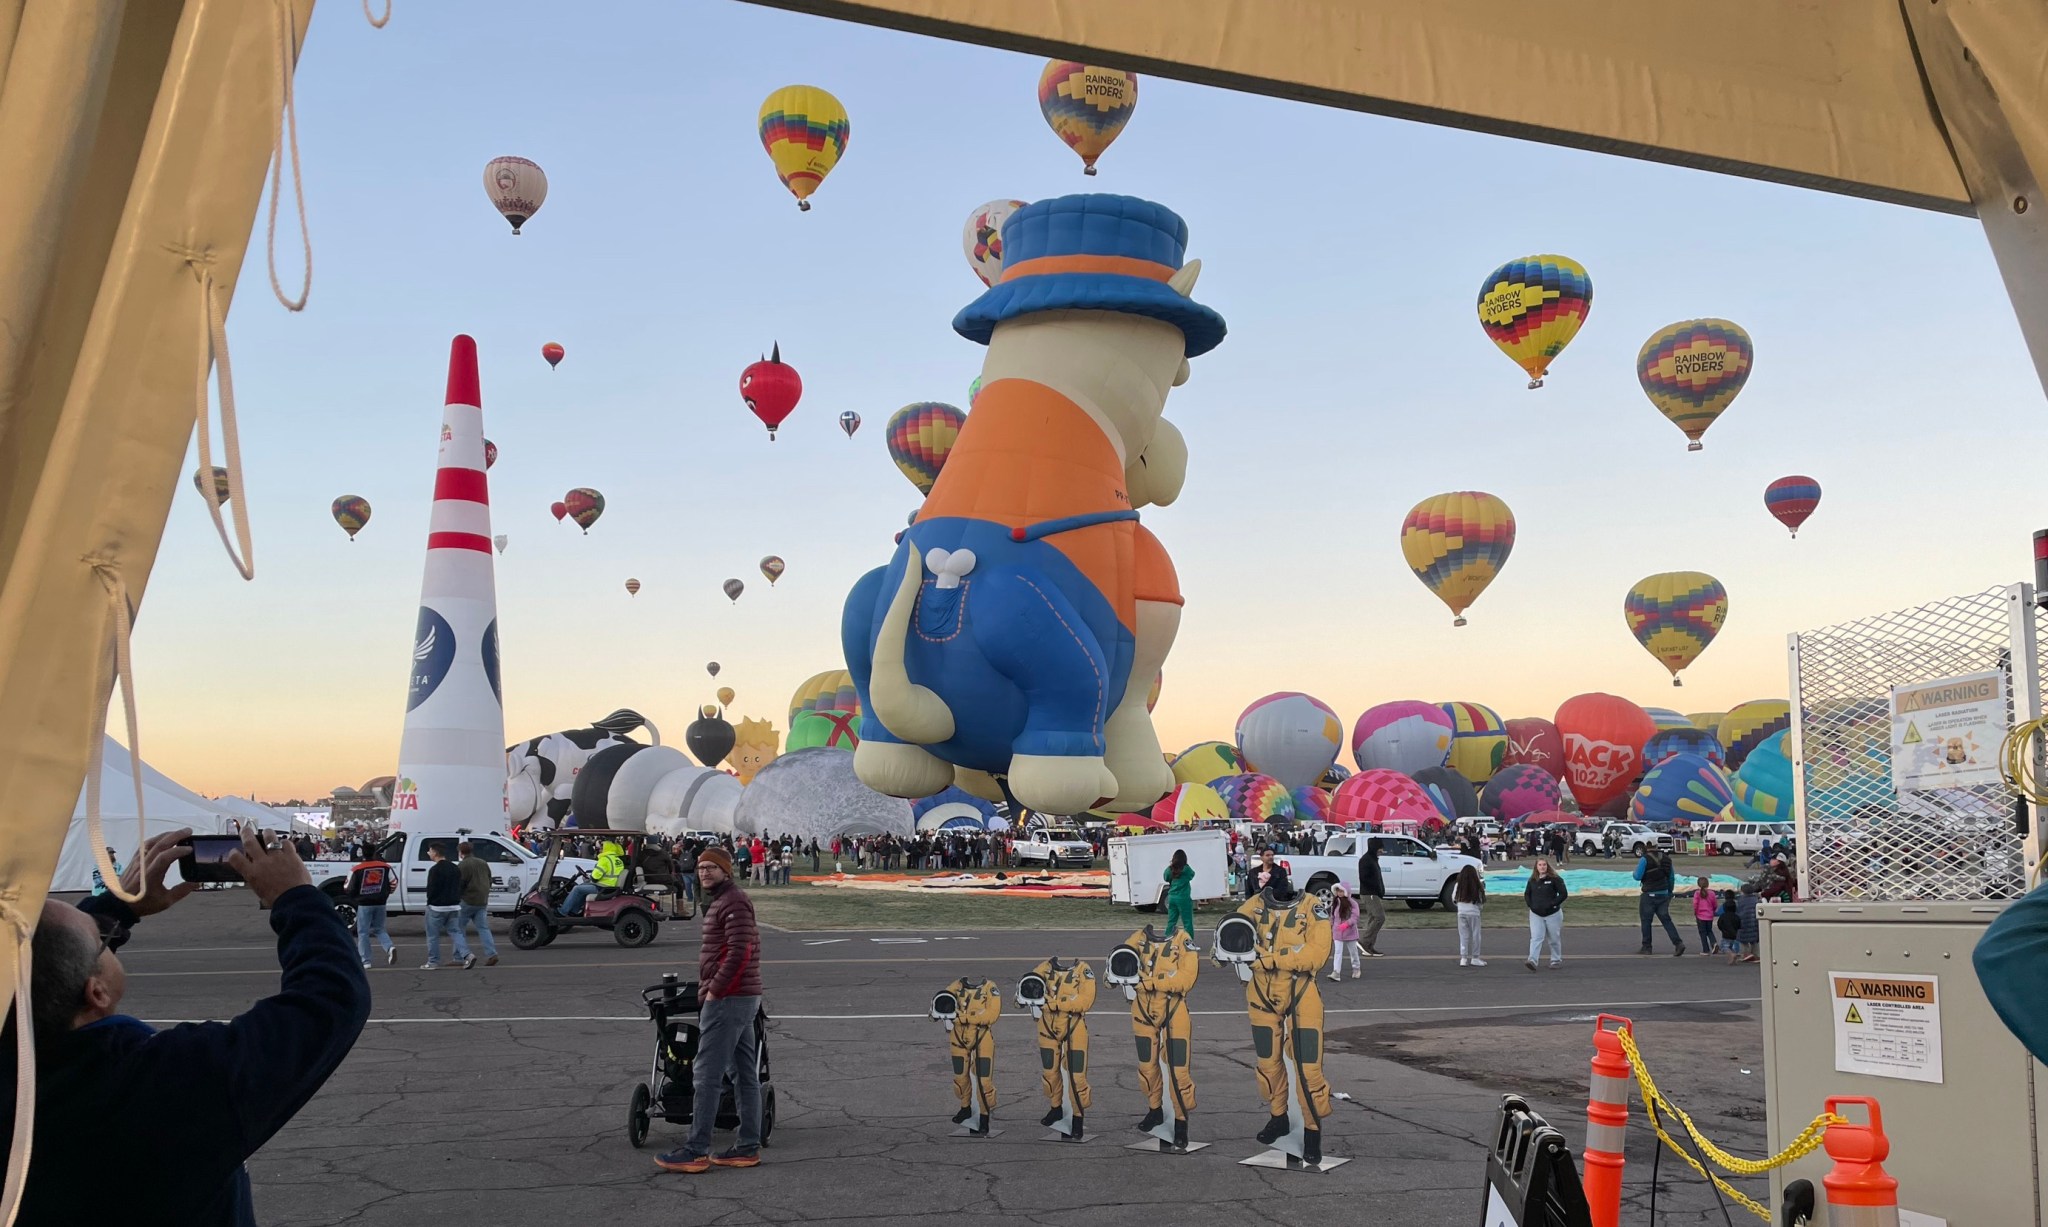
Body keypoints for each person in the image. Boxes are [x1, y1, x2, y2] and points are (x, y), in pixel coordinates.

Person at [10, 825, 368, 1224]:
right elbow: (329, 998)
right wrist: (296, 897)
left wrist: (116, 908)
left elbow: (43, 968)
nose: (108, 936)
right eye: (101, 938)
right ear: (97, 993)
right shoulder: (162, 1084)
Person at [656, 846, 763, 1173]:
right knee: (744, 1073)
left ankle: (696, 1149)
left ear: (726, 871)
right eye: (700, 867)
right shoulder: (724, 901)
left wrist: (715, 990)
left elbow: (739, 952)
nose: (704, 872)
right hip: (740, 996)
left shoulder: (732, 902)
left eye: (711, 868)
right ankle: (746, 1147)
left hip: (729, 999)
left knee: (706, 1074)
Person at [343, 852, 398, 968]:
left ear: (363, 856)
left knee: (363, 932)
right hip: (381, 903)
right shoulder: (385, 867)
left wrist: (354, 897)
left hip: (364, 903)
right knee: (379, 929)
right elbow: (394, 882)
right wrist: (387, 893)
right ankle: (389, 947)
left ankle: (366, 960)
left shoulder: (356, 868)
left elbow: (347, 887)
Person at [422, 841, 470, 970]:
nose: (429, 853)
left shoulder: (434, 870)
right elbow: (459, 886)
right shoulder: (455, 868)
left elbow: (431, 889)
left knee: (433, 935)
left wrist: (430, 902)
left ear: (435, 853)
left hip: (436, 906)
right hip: (454, 906)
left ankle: (433, 962)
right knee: (456, 932)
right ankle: (467, 955)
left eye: (430, 851)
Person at [1633, 848, 1685, 956]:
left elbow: (1637, 876)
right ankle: (1678, 943)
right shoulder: (1667, 859)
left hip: (1649, 894)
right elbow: (1671, 878)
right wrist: (1669, 892)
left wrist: (1634, 872)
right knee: (1666, 920)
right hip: (1663, 893)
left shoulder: (1645, 859)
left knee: (1646, 921)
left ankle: (1647, 947)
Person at [455, 841, 500, 967]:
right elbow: (489, 879)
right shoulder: (482, 862)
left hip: (468, 900)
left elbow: (460, 884)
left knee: (458, 929)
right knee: (483, 928)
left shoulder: (463, 865)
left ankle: (459, 956)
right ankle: (492, 954)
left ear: (460, 852)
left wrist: (457, 898)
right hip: (482, 900)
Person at [1524, 857, 1568, 970]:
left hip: (1552, 914)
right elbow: (1527, 894)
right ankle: (1532, 960)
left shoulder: (1555, 879)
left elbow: (1563, 894)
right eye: (1540, 865)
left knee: (1553, 938)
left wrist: (1553, 904)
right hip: (1536, 914)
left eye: (1544, 864)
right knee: (1536, 938)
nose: (1542, 867)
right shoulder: (1532, 880)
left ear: (1547, 866)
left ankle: (1555, 960)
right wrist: (1531, 905)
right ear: (1536, 867)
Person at [562, 839, 625, 917]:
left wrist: (590, 877)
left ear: (606, 848)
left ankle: (562, 912)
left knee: (576, 889)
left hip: (602, 888)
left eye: (602, 848)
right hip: (610, 886)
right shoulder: (618, 860)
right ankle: (574, 912)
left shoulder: (605, 860)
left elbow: (595, 878)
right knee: (583, 886)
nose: (600, 850)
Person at [1355, 838, 1387, 957]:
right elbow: (1364, 878)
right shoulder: (1366, 860)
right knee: (1379, 917)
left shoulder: (1373, 859)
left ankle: (1369, 946)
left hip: (1374, 893)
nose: (1382, 850)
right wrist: (1376, 888)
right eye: (1380, 848)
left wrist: (1381, 889)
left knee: (1372, 918)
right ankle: (1364, 942)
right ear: (1375, 847)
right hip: (1369, 893)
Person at [1453, 864, 1486, 967]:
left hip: (1461, 912)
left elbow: (1454, 898)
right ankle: (1475, 958)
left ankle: (1463, 958)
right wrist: (1479, 909)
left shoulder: (1458, 885)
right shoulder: (1477, 885)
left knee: (1463, 935)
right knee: (1476, 935)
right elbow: (1480, 902)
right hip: (1474, 913)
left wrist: (1460, 906)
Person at [1328, 883, 1362, 980]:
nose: (1339, 893)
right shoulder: (1335, 902)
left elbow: (1355, 917)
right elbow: (1332, 916)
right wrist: (1331, 926)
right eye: (1338, 891)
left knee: (1353, 952)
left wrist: (1346, 924)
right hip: (1337, 932)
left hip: (1350, 933)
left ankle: (1356, 968)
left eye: (1342, 891)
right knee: (1337, 952)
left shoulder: (1352, 903)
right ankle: (1336, 972)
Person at [1162, 848, 1196, 940]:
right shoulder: (1186, 869)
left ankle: (1168, 939)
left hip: (1172, 897)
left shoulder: (1170, 869)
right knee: (1187, 922)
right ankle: (1189, 941)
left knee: (1171, 921)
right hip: (1183, 897)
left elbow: (1165, 877)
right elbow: (1192, 874)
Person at [1690, 875, 1718, 956]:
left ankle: (1705, 949)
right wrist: (1713, 910)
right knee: (1709, 931)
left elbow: (1695, 904)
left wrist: (1695, 912)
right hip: (1709, 915)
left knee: (1702, 933)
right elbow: (1715, 904)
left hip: (1700, 916)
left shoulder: (1697, 893)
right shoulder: (1712, 893)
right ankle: (1714, 943)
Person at [1735, 882, 1762, 963]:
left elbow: (1737, 912)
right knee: (1755, 940)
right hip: (1755, 922)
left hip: (1744, 922)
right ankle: (1756, 955)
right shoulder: (1756, 900)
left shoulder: (1740, 900)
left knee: (1743, 940)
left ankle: (1745, 954)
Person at [1716, 889, 1742, 964]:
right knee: (1732, 946)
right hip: (1735, 934)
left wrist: (1722, 929)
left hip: (1726, 934)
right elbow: (1739, 924)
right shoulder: (1736, 916)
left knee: (1724, 947)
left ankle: (1732, 955)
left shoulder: (1723, 916)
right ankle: (1733, 958)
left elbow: (1719, 923)